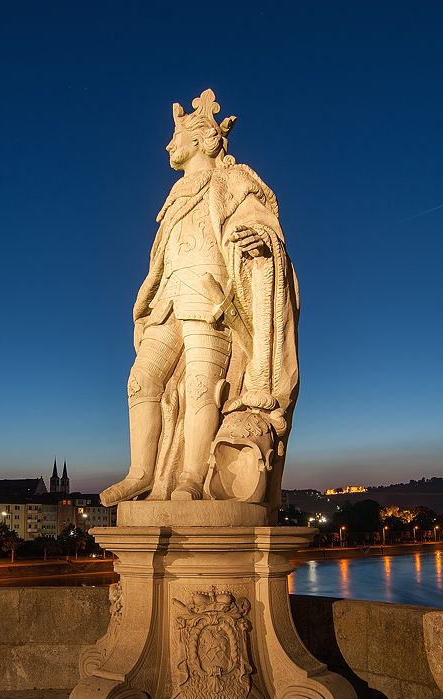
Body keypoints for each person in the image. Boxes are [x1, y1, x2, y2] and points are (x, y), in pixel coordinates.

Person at [101, 90, 299, 515]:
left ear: (202, 139)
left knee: (200, 387)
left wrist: (261, 243)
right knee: (141, 380)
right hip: (168, 300)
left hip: (209, 298)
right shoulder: (174, 193)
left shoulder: (234, 180)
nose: (169, 145)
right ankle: (141, 473)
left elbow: (262, 226)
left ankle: (191, 478)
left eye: (177, 136)